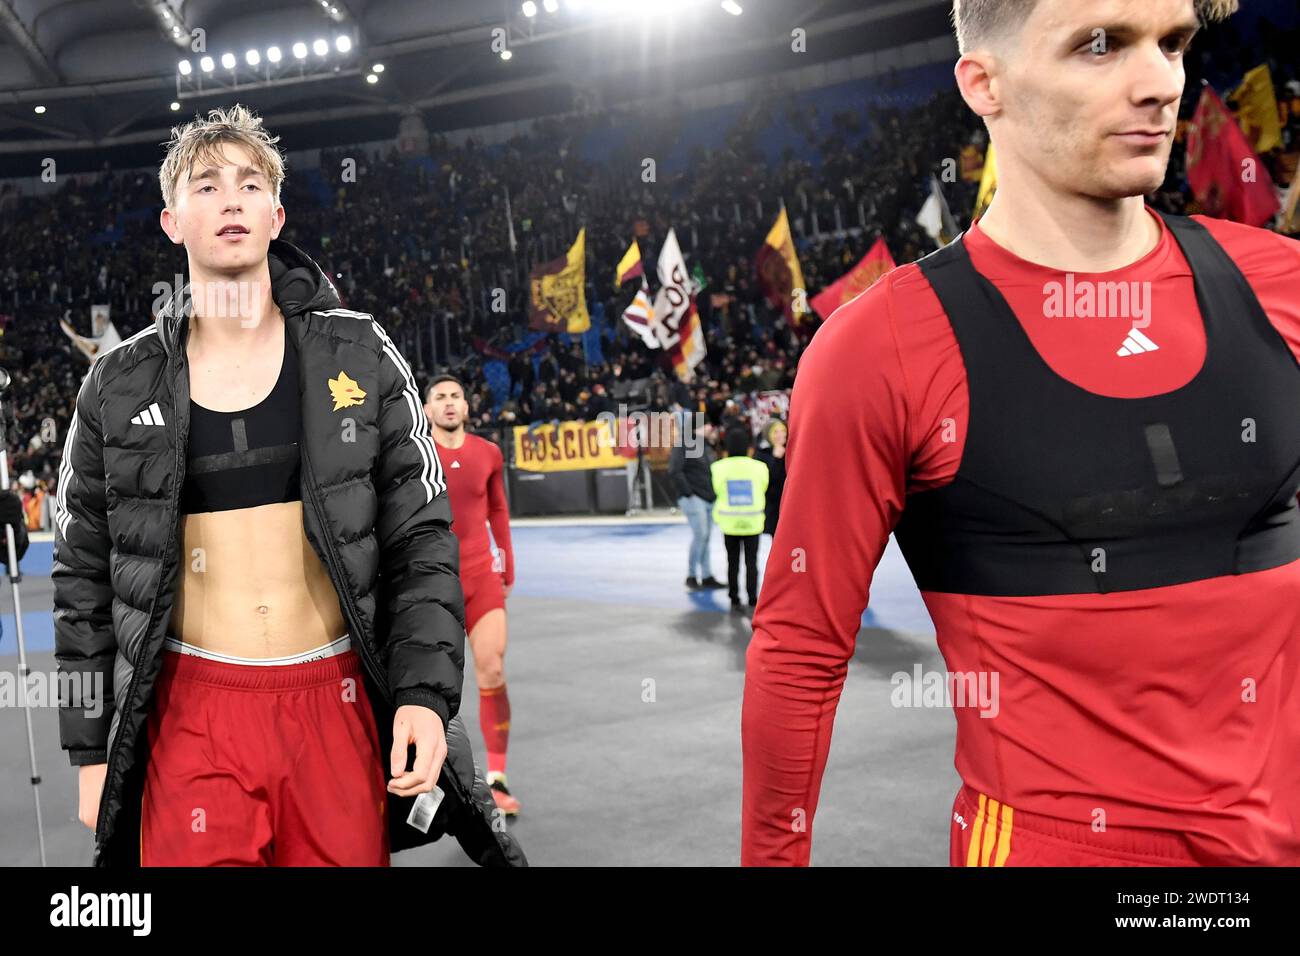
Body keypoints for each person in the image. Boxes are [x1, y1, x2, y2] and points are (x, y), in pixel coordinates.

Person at [744, 0, 1300, 866]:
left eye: (1174, 43)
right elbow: (801, 654)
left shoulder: (1280, 287)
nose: (1159, 83)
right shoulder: (880, 351)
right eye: (1101, 45)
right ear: (984, 84)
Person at [52, 104, 522, 867]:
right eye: (204, 186)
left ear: (277, 213)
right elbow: (81, 577)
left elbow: (420, 542)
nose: (229, 199)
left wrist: (424, 697)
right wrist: (86, 751)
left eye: (247, 183)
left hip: (334, 702)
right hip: (192, 714)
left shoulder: (361, 351)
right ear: (171, 220)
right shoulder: (116, 383)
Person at [425, 374, 520, 816]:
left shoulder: (489, 453)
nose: (448, 403)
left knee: (493, 670)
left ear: (466, 407)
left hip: (482, 579)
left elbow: (498, 508)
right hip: (433, 583)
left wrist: (508, 562)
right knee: (432, 687)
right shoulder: (415, 455)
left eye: (455, 396)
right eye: (439, 397)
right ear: (426, 409)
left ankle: (497, 778)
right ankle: (435, 783)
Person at [711, 427, 768, 612]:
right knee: (752, 562)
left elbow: (717, 490)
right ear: (748, 447)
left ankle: (734, 598)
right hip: (753, 523)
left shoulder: (718, 467)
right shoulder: (760, 467)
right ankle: (753, 598)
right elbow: (763, 487)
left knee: (732, 562)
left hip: (729, 524)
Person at [668, 417, 723, 590]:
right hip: (695, 497)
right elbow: (675, 470)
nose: (710, 427)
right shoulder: (684, 443)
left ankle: (706, 576)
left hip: (707, 497)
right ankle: (692, 576)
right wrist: (689, 493)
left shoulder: (704, 445)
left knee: (705, 537)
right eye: (707, 424)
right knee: (701, 535)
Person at [754, 419, 787, 539]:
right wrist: (776, 459)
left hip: (788, 502)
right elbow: (766, 480)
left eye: (783, 431)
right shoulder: (761, 453)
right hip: (772, 505)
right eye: (776, 432)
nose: (780, 435)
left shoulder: (791, 449)